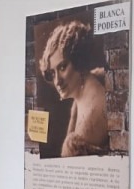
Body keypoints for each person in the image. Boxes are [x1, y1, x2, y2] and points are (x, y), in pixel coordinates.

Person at [39, 20, 109, 157]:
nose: (57, 81)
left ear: (78, 59)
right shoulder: (86, 88)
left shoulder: (88, 126)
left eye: (63, 67)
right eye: (53, 73)